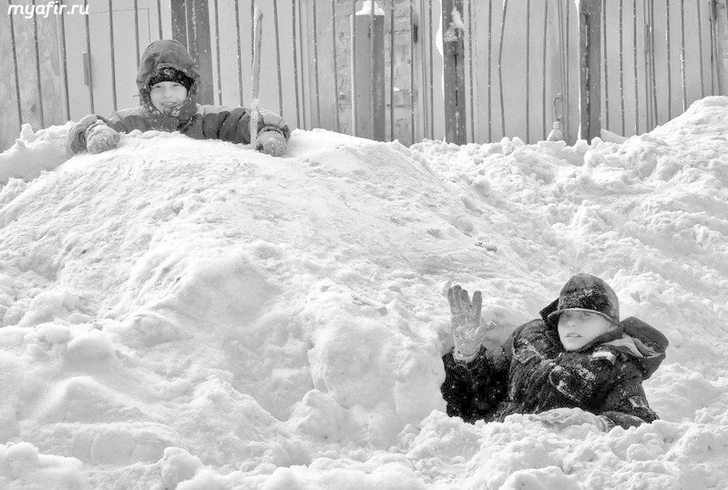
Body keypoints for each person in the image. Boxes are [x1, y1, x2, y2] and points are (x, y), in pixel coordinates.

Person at [441, 273, 668, 431]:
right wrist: (466, 357)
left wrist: (595, 423)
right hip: (484, 453)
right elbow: (476, 399)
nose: (570, 324)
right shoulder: (530, 338)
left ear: (611, 326)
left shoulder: (619, 367)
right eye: (565, 316)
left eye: (584, 315)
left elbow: (643, 424)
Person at [66, 39, 290, 157]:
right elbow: (85, 127)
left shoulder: (210, 120)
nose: (167, 95)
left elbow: (250, 121)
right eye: (158, 87)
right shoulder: (131, 122)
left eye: (175, 85)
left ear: (190, 88)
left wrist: (269, 132)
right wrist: (93, 132)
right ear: (146, 90)